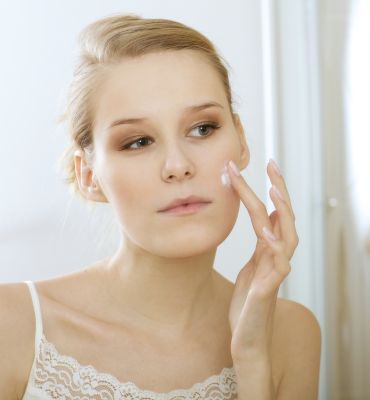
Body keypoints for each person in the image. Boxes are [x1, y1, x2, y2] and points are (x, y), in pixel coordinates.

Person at [0, 14, 320, 400]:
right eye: (137, 142)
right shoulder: (12, 325)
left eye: (203, 128)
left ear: (241, 141)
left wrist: (252, 359)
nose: (178, 166)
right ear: (89, 176)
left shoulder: (291, 334)